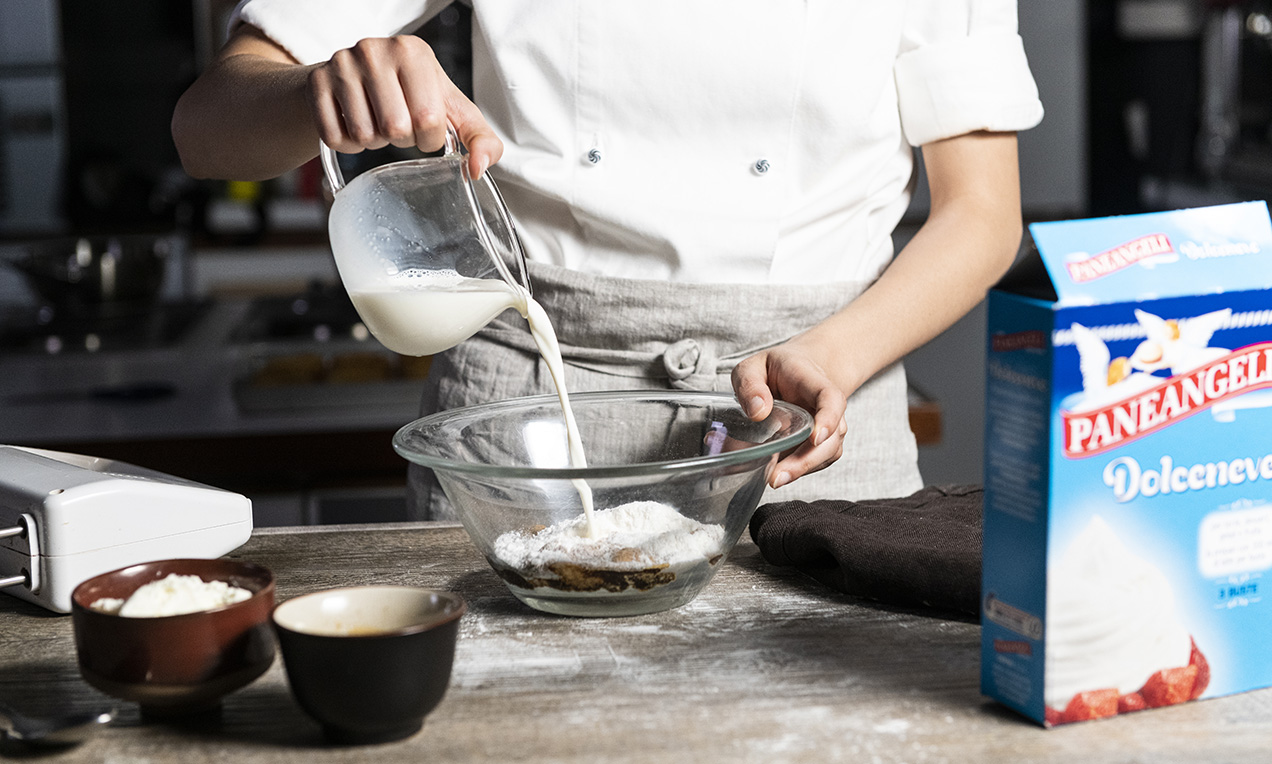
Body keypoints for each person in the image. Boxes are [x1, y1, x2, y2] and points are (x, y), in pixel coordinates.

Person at [173, 1, 1044, 520]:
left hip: (811, 415)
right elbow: (207, 126)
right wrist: (315, 88)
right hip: (531, 422)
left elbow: (982, 215)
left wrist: (832, 357)